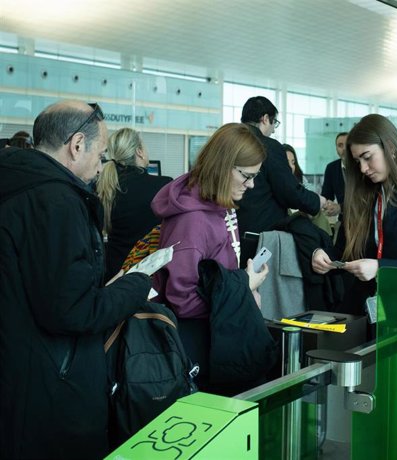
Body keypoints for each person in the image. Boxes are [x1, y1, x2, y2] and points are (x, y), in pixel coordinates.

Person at [0, 100, 152, 458]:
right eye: (100, 156)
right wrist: (137, 284)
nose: (101, 168)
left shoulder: (15, 185)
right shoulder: (58, 202)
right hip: (51, 390)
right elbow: (73, 311)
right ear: (77, 145)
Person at [151, 123, 270, 391]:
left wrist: (242, 291)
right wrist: (243, 291)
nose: (251, 185)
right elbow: (182, 300)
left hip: (215, 335)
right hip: (196, 344)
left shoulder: (220, 205)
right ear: (223, 165)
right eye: (246, 176)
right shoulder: (192, 221)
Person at [311, 114, 397, 320]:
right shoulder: (361, 200)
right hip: (360, 316)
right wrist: (323, 258)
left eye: (368, 157)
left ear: (392, 149)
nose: (363, 168)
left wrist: (380, 268)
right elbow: (344, 254)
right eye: (358, 161)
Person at [236, 96, 328, 261]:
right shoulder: (268, 146)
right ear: (265, 119)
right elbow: (289, 191)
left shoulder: (228, 142)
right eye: (274, 123)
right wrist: (317, 201)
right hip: (260, 238)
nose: (273, 130)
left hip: (228, 231)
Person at [97, 127, 172, 280]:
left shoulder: (107, 187)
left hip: (113, 274)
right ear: (139, 151)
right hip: (147, 275)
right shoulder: (164, 187)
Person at [321, 132, 348, 216]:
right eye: (340, 145)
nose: (344, 149)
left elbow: (364, 200)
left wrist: (340, 208)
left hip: (364, 220)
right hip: (343, 220)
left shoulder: (363, 167)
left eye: (347, 145)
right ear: (336, 148)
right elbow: (327, 196)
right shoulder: (331, 168)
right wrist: (327, 205)